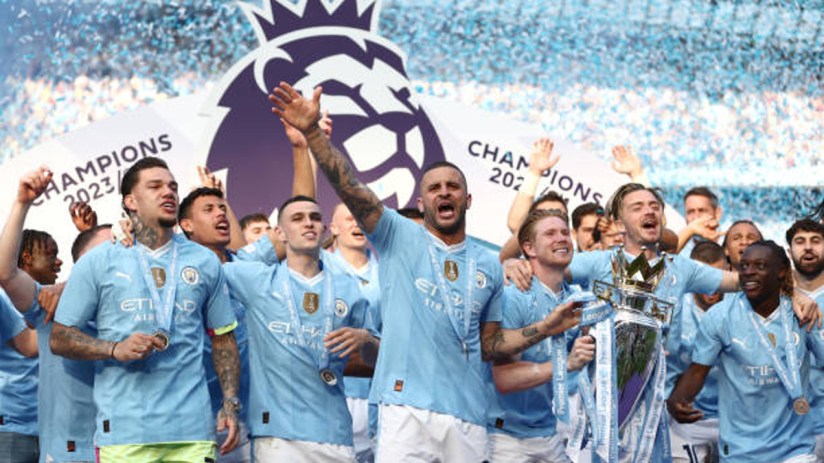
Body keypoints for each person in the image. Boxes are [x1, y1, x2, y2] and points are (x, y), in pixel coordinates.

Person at [269, 82, 581, 462]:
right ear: (421, 202)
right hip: (404, 409)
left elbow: (490, 345)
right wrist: (313, 134)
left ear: (468, 199)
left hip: (468, 415)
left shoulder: (487, 263)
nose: (444, 192)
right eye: (434, 188)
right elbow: (350, 188)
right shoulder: (398, 234)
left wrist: (546, 327)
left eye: (453, 187)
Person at [49, 157, 241, 461]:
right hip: (125, 436)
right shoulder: (100, 260)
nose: (168, 192)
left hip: (193, 433)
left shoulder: (204, 261)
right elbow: (59, 337)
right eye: (155, 186)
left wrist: (230, 402)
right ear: (131, 201)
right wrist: (114, 348)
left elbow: (224, 339)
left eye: (173, 187)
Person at [221, 195, 376, 461]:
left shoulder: (349, 288)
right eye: (297, 218)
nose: (308, 223)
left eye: (315, 218)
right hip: (276, 435)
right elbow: (201, 271)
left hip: (334, 433)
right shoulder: (255, 279)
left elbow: (378, 358)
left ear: (324, 230)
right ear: (279, 233)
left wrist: (366, 340)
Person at [668, 241, 823, 462]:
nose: (749, 271)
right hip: (741, 449)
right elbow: (697, 370)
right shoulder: (720, 316)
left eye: (760, 265)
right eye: (744, 266)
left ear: (781, 271)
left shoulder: (803, 313)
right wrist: (678, 398)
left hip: (795, 448)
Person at [0, 169, 114, 463]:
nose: (59, 261)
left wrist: (71, 283)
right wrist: (22, 202)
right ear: (27, 258)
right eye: (51, 254)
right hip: (20, 430)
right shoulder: (43, 303)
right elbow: (29, 345)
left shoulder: (123, 304)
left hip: (110, 443)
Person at [487, 209, 595, 463]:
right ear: (529, 248)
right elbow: (503, 378)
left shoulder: (577, 300)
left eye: (565, 232)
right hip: (504, 436)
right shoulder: (513, 296)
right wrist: (565, 364)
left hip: (549, 431)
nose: (561, 238)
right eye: (550, 233)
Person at [178, 185, 252, 463]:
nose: (220, 213)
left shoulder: (248, 262)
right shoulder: (177, 275)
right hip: (206, 422)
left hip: (260, 417)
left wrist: (302, 157)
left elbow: (298, 225)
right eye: (208, 210)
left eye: (222, 208)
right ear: (186, 225)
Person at [326, 202, 381, 463]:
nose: (357, 223)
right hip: (333, 393)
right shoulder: (318, 267)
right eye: (349, 218)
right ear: (333, 228)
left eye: (361, 217)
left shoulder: (387, 271)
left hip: (377, 396)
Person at [665, 241, 727, 463]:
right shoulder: (674, 309)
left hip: (736, 420)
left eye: (718, 277)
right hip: (687, 420)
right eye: (704, 278)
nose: (712, 287)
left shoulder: (744, 307)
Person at [786, 219, 824, 459]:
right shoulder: (773, 298)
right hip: (791, 431)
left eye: (816, 241)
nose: (808, 247)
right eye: (800, 242)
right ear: (789, 252)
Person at [676, 187, 724, 255]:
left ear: (717, 213)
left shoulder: (730, 244)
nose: (696, 217)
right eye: (691, 212)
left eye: (702, 211)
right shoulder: (681, 249)